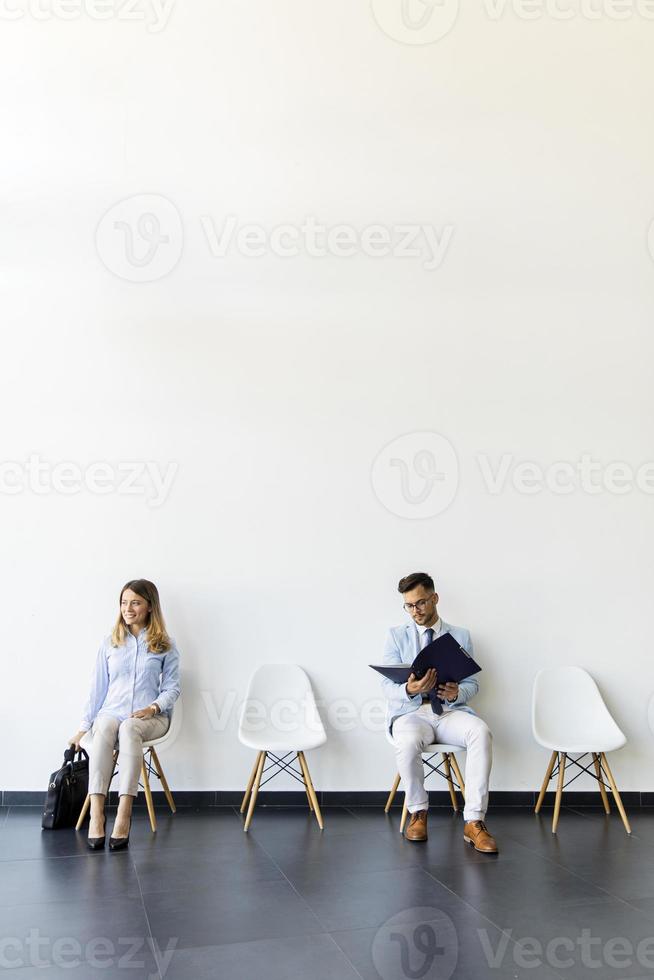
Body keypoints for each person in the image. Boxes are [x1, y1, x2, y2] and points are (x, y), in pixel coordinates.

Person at [382, 572, 498, 852]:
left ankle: (474, 821)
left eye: (420, 603)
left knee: (480, 732)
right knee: (407, 741)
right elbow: (386, 685)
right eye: (409, 606)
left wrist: (458, 692)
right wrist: (410, 689)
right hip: (411, 713)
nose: (415, 611)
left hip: (448, 711)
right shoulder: (396, 636)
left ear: (434, 598)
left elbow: (472, 682)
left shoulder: (460, 635)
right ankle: (418, 812)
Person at [69, 579, 181, 851]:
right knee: (106, 726)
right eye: (123, 602)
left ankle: (124, 813)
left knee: (129, 728)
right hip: (111, 712)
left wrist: (153, 707)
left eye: (135, 602)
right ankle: (97, 815)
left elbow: (172, 687)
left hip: (150, 718)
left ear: (150, 606)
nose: (127, 608)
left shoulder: (164, 644)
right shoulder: (110, 643)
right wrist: (84, 727)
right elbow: (97, 689)